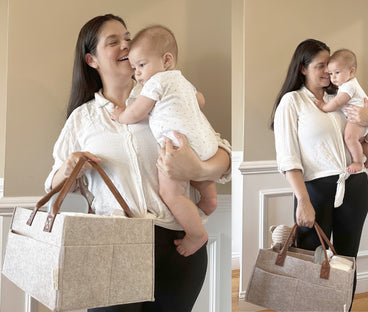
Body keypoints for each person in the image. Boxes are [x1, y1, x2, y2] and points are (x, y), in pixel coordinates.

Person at [45, 14, 231, 312]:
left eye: (128, 39)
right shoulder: (82, 119)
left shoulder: (168, 94)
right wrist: (69, 168)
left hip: (179, 245)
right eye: (113, 41)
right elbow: (51, 185)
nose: (125, 46)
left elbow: (218, 151)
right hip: (113, 247)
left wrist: (198, 170)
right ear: (92, 60)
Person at [271, 39, 368, 308]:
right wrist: (303, 201)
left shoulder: (342, 97)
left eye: (329, 66)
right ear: (302, 68)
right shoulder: (292, 101)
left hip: (354, 186)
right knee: (311, 262)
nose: (327, 72)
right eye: (320, 66)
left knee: (347, 261)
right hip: (315, 191)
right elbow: (288, 158)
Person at [111, 25, 218, 257]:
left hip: (177, 147)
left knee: (171, 193)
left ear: (167, 60)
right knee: (199, 179)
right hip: (204, 143)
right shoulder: (181, 81)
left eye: (141, 65)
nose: (137, 73)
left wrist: (121, 114)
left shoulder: (155, 83)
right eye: (134, 68)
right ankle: (209, 200)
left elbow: (136, 113)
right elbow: (200, 100)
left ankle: (196, 234)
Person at [314, 48, 368, 173]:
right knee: (360, 140)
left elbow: (338, 102)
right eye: (331, 73)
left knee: (349, 137)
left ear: (351, 71)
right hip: (361, 115)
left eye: (337, 72)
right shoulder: (348, 84)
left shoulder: (348, 86)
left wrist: (323, 106)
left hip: (359, 115)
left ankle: (358, 162)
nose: (333, 78)